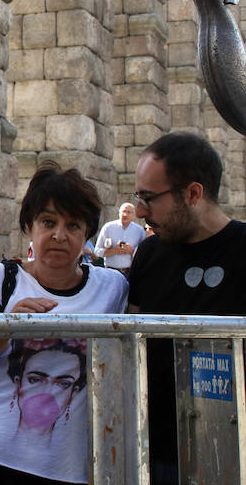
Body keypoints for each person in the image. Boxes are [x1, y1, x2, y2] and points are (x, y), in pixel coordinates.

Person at [0, 162, 128, 485]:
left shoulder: (112, 288)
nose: (59, 235)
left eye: (73, 225)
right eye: (48, 222)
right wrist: (8, 326)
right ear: (29, 227)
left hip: (62, 464)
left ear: (87, 235)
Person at [127, 132, 246, 485]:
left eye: (149, 198)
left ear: (193, 194)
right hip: (156, 455)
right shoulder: (148, 254)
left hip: (235, 454)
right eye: (138, 197)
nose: (141, 211)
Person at [94, 202, 146, 275]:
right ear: (119, 213)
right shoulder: (108, 228)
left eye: (128, 212)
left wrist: (131, 251)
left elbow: (144, 255)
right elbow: (97, 251)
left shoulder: (139, 231)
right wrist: (114, 251)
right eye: (123, 211)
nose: (125, 214)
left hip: (129, 272)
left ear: (134, 215)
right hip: (110, 271)